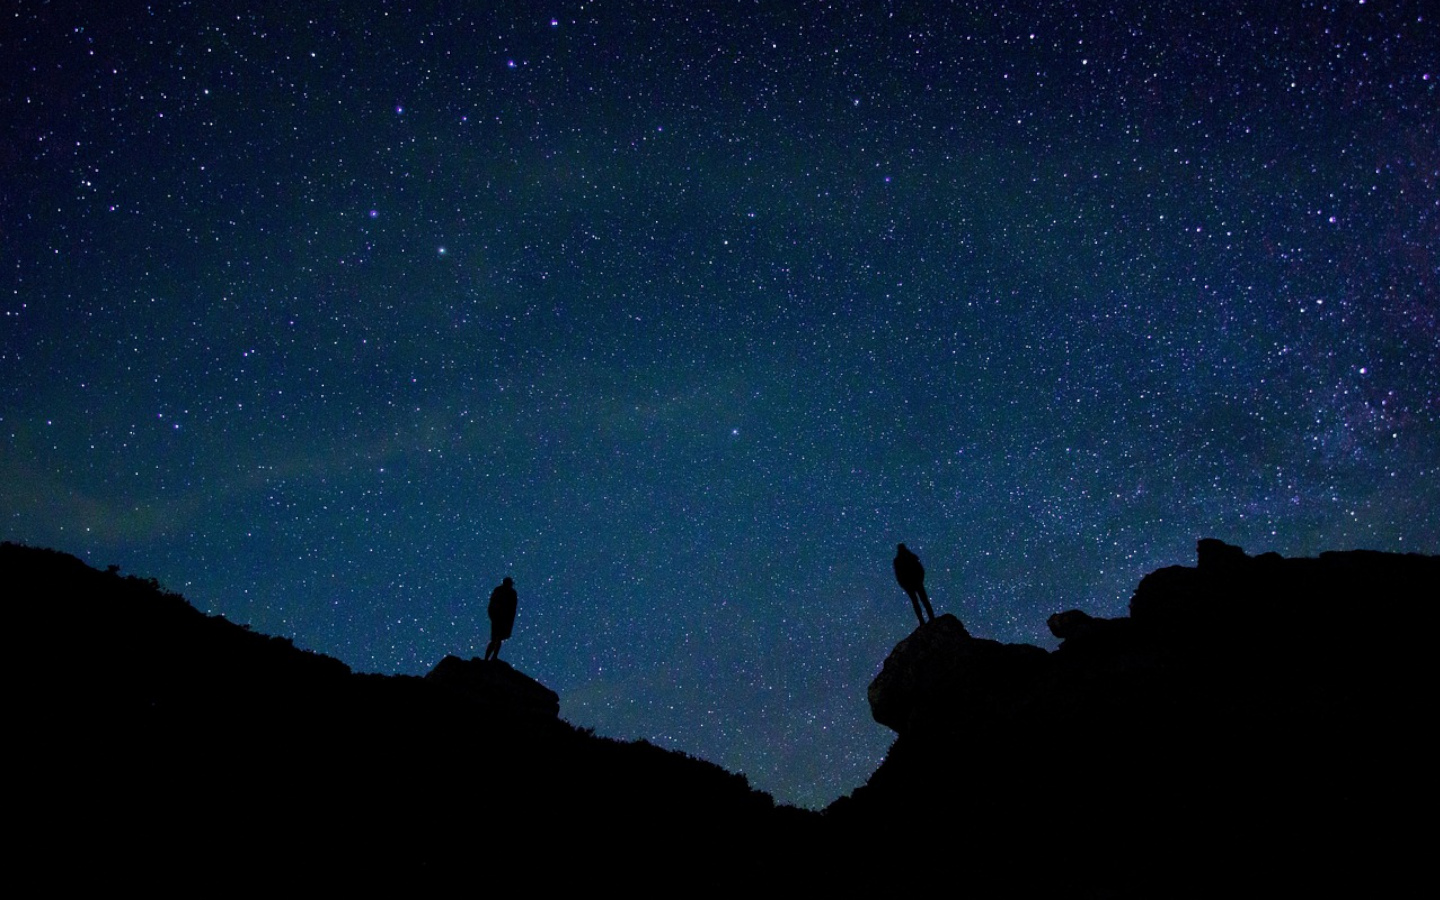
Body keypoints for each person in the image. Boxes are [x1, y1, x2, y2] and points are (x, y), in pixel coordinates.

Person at [893, 544, 935, 626]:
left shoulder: (901, 560)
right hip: (912, 583)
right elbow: (920, 569)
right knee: (921, 601)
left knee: (919, 602)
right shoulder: (908, 558)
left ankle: (926, 620)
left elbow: (920, 569)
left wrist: (919, 579)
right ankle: (928, 619)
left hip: (914, 583)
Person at [485, 577, 518, 661]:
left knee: (496, 638)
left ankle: (490, 657)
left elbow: (512, 608)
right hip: (500, 618)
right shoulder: (507, 592)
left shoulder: (502, 591)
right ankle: (490, 658)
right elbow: (512, 608)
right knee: (496, 638)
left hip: (501, 618)